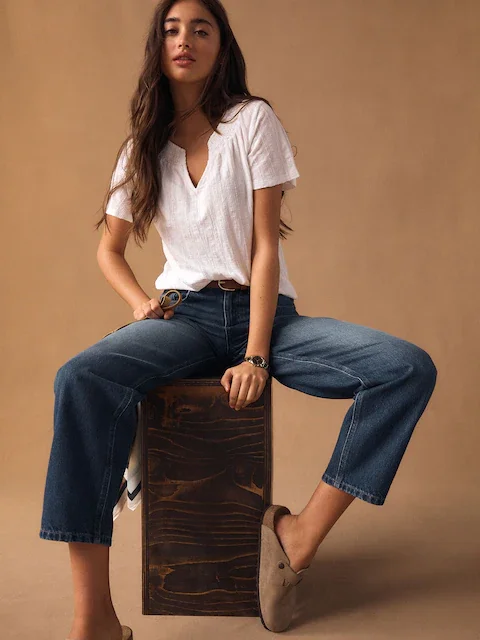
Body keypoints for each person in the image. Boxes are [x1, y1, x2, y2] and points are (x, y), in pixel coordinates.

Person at [38, 0, 438, 637]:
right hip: (184, 319)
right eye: (171, 29)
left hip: (267, 316)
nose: (185, 39)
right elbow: (108, 250)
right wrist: (141, 304)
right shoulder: (141, 148)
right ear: (157, 48)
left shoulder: (252, 121)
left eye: (201, 29)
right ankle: (95, 619)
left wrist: (255, 353)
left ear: (221, 46)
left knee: (405, 368)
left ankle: (299, 535)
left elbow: (264, 247)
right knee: (79, 379)